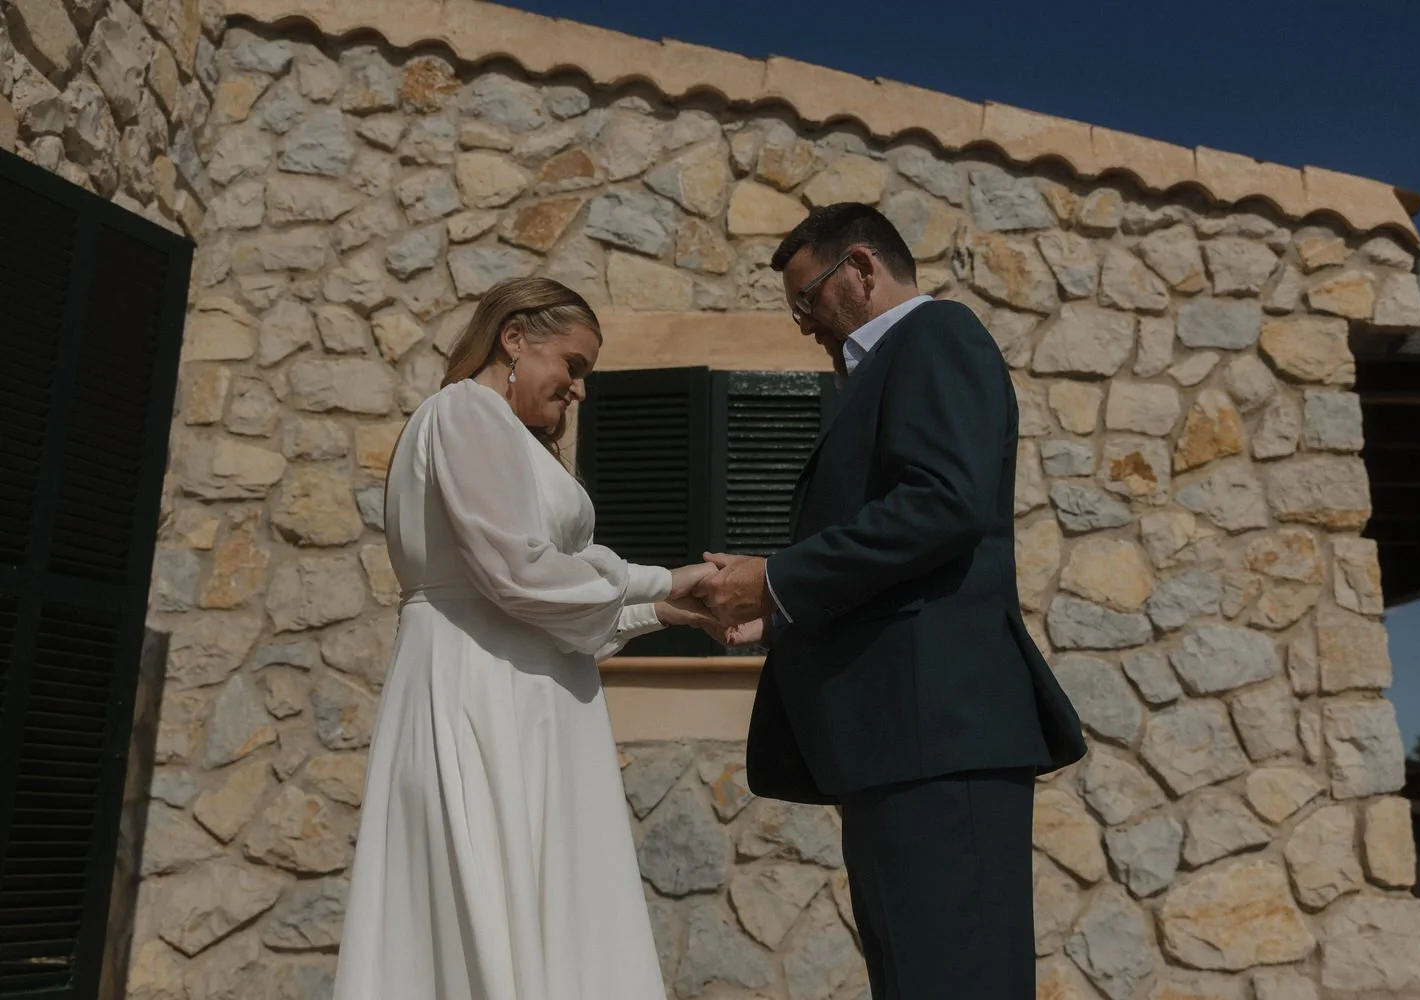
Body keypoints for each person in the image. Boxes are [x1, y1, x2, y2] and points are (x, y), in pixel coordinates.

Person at [696, 204, 1089, 1000]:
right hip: (897, 746)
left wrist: (777, 577)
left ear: (862, 268)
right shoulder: (883, 371)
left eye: (807, 298)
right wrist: (781, 610)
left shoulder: (937, 335)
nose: (803, 323)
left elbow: (944, 505)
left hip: (937, 737)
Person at [332, 277, 719, 1000]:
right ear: (514, 337)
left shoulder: (504, 435)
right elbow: (516, 572)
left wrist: (663, 606)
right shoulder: (466, 411)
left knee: (537, 905)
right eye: (573, 364)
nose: (580, 388)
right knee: (487, 891)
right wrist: (662, 582)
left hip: (529, 691)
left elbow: (547, 598)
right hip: (481, 689)